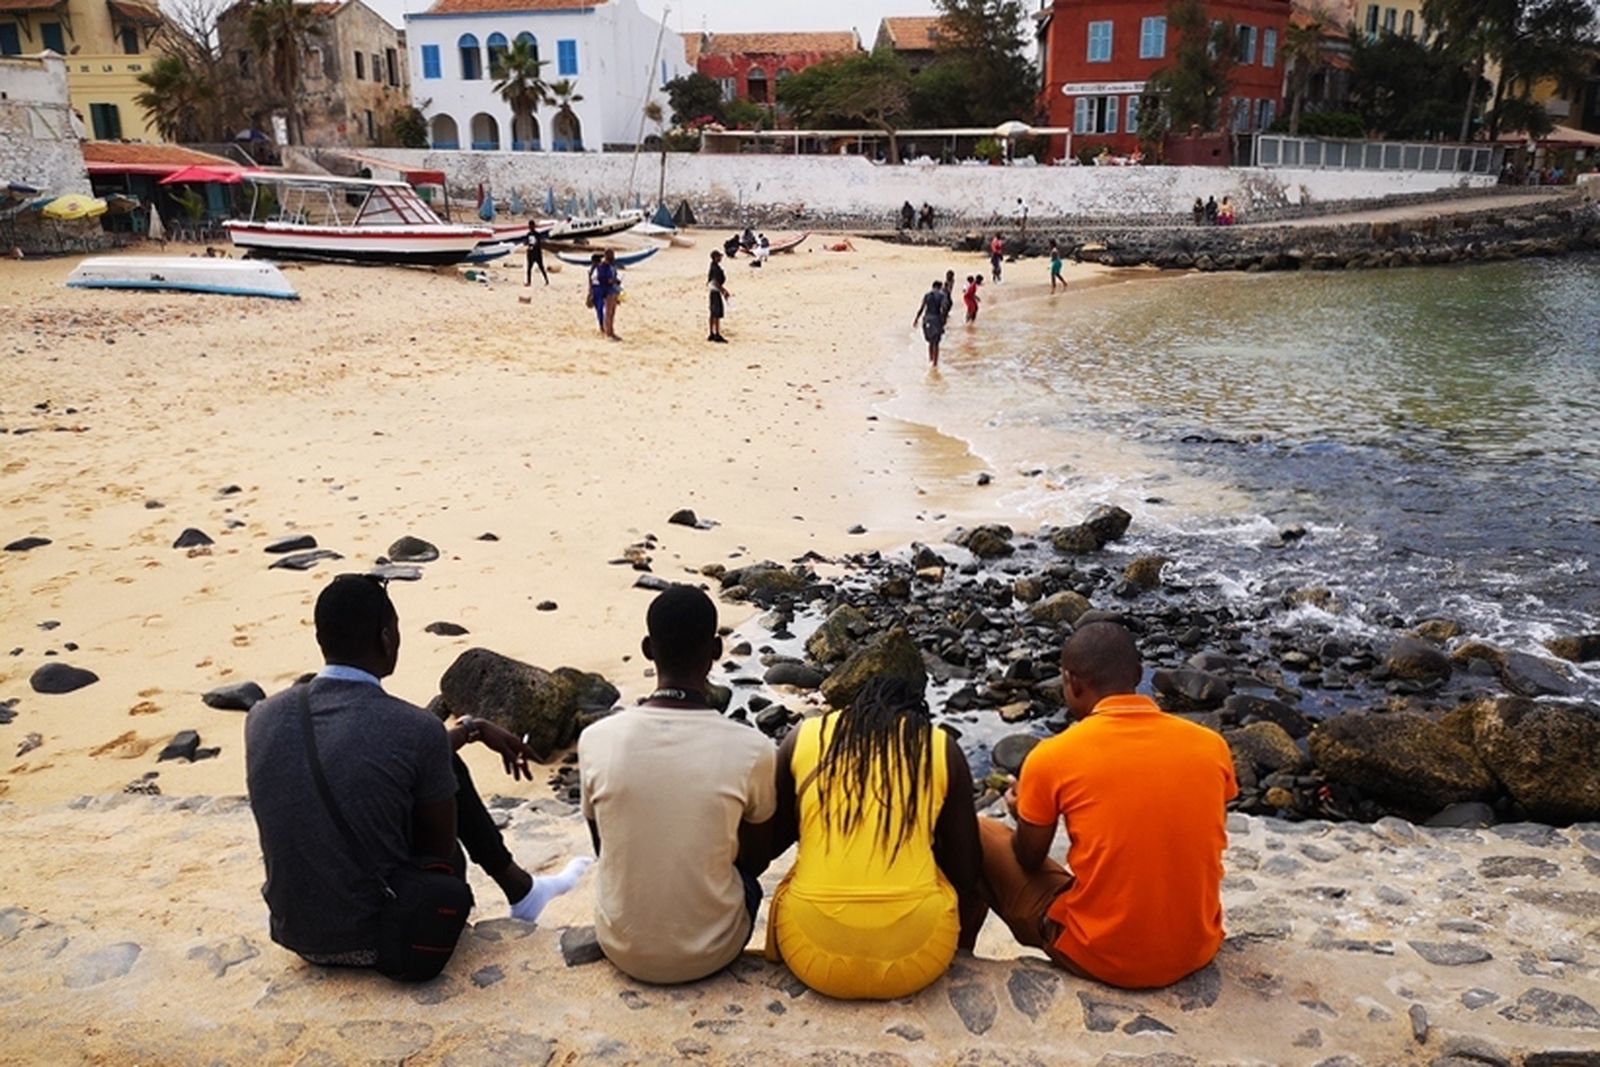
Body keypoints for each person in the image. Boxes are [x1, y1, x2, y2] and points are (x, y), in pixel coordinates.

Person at [244, 574, 590, 971]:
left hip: (299, 935)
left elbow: (373, 750)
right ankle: (521, 890)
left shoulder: (261, 717)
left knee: (429, 759)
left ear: (321, 639)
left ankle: (523, 890)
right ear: (386, 639)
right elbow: (440, 856)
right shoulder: (414, 728)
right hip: (392, 935)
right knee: (438, 769)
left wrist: (471, 728)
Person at [976, 622, 1238, 990]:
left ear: (1071, 681)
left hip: (1102, 956)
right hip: (1195, 948)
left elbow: (1028, 859)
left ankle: (958, 956)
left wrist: (1021, 812)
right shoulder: (1210, 745)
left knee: (977, 832)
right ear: (1137, 674)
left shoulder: (1052, 756)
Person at [578, 585, 776, 984]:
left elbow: (605, 847)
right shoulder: (752, 748)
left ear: (648, 649)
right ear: (716, 650)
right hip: (712, 951)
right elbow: (754, 860)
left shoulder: (597, 739)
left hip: (622, 945)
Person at [759, 678, 982, 1000]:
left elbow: (769, 846)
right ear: (914, 715)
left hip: (810, 954)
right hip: (923, 956)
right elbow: (967, 871)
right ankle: (963, 958)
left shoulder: (803, 737)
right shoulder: (939, 745)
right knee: (983, 838)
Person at [912, 279, 947, 368]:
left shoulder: (927, 295)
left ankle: (930, 360)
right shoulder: (942, 295)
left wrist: (916, 319)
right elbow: (944, 308)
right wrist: (943, 321)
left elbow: (922, 308)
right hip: (936, 319)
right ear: (940, 287)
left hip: (927, 319)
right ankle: (935, 364)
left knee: (930, 342)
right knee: (936, 343)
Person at [598, 249, 621, 340]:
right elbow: (604, 279)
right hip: (607, 292)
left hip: (614, 291)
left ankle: (611, 331)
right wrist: (613, 281)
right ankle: (608, 333)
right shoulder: (603, 266)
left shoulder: (612, 266)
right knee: (608, 313)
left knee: (612, 313)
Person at [707, 249, 730, 343]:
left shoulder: (713, 266)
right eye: (719, 256)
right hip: (715, 291)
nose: (721, 258)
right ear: (715, 257)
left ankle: (711, 333)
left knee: (712, 313)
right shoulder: (715, 268)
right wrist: (723, 291)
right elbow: (716, 282)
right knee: (716, 313)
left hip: (712, 291)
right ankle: (717, 334)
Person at [585, 252, 605, 335]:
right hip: (598, 290)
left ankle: (602, 325)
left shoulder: (592, 270)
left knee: (599, 309)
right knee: (600, 309)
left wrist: (590, 292)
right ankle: (602, 325)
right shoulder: (595, 269)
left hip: (597, 290)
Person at [524, 221, 548, 287]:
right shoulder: (528, 234)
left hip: (537, 253)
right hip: (530, 253)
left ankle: (546, 280)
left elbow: (538, 243)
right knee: (529, 269)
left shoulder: (537, 234)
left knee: (541, 267)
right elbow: (526, 242)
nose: (531, 227)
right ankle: (529, 282)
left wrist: (533, 246)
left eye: (532, 226)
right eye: (530, 226)